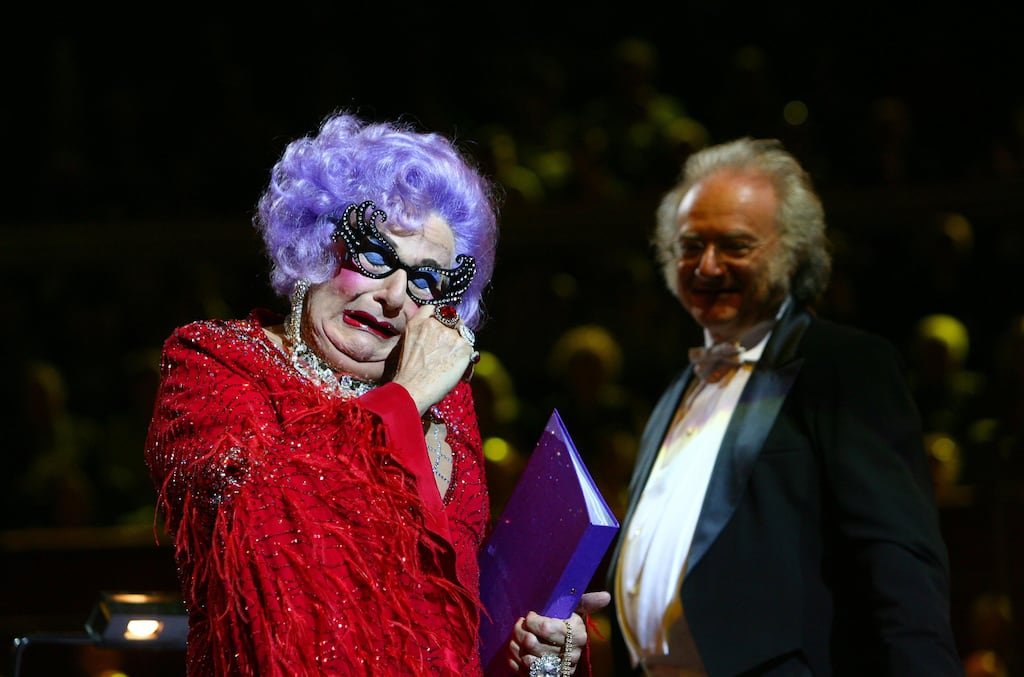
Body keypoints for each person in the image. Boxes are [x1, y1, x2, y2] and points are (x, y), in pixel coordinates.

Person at [145, 111, 607, 677]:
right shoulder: (216, 363)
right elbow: (277, 534)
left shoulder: (449, 407)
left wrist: (531, 653)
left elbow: (447, 632)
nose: (393, 296)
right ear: (317, 245)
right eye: (374, 257)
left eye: (425, 280)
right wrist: (406, 398)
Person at [607, 137, 962, 675]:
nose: (706, 265)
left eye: (735, 245)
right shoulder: (674, 391)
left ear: (792, 253)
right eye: (689, 245)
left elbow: (899, 561)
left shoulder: (844, 365)